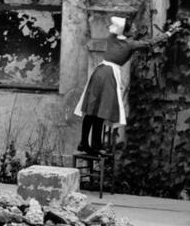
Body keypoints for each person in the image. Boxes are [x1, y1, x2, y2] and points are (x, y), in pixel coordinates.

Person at [73, 16, 178, 155]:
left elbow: (113, 24)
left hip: (99, 72)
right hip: (109, 75)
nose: (135, 29)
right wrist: (169, 33)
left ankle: (85, 143)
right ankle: (95, 145)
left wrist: (123, 26)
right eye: (132, 28)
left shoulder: (112, 38)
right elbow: (150, 43)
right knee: (101, 111)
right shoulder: (130, 44)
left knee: (92, 109)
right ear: (125, 31)